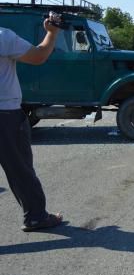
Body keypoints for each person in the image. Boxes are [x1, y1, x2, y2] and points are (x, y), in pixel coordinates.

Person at [1, 15, 64, 232]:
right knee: (20, 169)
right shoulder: (3, 37)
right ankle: (36, 217)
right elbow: (38, 56)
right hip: (5, 115)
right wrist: (51, 33)